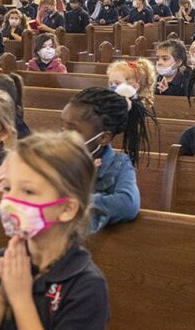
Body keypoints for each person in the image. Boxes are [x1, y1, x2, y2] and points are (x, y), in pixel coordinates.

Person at [0, 132, 109, 330]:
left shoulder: (86, 285)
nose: (11, 201)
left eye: (28, 191)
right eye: (7, 188)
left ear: (66, 209)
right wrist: (3, 294)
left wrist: (20, 298)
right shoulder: (3, 262)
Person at [62, 87, 155, 232]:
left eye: (73, 129)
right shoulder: (56, 158)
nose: (64, 135)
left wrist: (75, 200)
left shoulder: (118, 164)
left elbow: (127, 205)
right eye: (63, 127)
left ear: (103, 138)